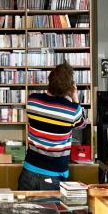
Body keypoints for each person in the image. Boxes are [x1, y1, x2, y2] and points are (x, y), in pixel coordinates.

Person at [18, 62, 87, 190]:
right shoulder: (73, 111)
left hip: (28, 170)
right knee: (52, 210)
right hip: (54, 174)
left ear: (49, 81)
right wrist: (75, 97)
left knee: (25, 209)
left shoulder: (32, 101)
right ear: (69, 87)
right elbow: (82, 124)